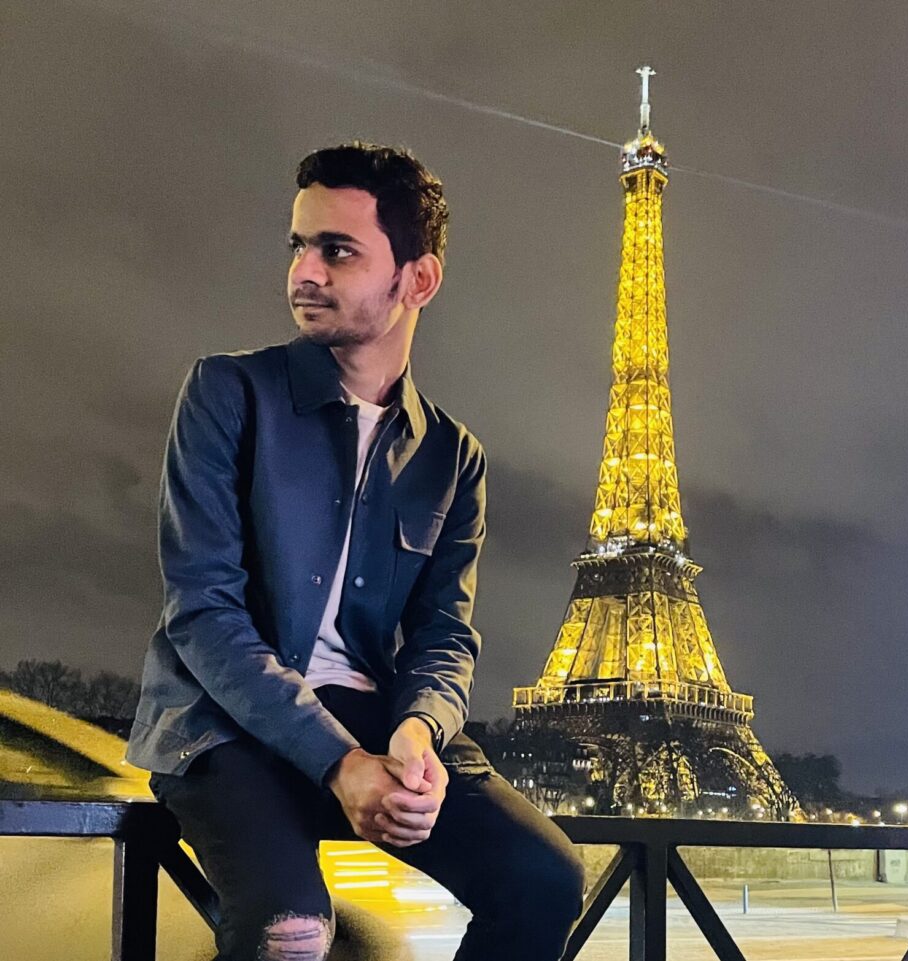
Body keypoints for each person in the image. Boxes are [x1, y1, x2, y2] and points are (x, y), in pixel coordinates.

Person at [126, 142, 585, 961]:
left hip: (377, 728)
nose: (305, 270)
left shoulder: (454, 456)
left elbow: (446, 635)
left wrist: (418, 734)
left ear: (418, 280)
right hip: (226, 726)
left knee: (545, 877)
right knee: (291, 931)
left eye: (336, 250)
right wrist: (341, 763)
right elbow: (202, 613)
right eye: (298, 245)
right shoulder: (227, 393)